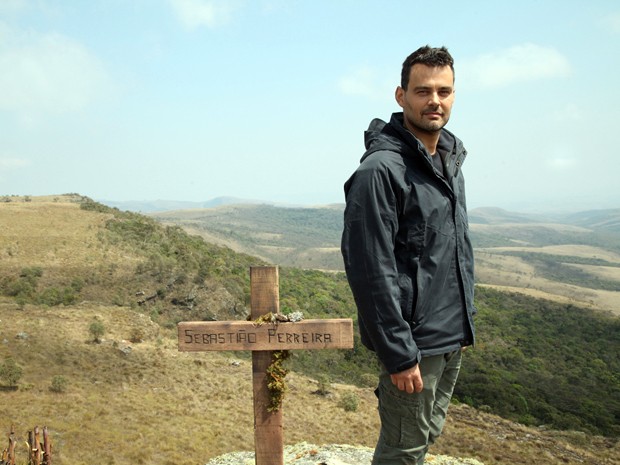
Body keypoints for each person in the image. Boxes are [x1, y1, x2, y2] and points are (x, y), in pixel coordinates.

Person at [341, 45, 476, 465]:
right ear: (401, 96)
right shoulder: (380, 171)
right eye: (422, 91)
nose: (434, 100)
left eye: (444, 91)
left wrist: (461, 328)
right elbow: (370, 272)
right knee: (403, 450)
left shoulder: (447, 161)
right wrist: (399, 354)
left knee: (423, 437)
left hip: (449, 338)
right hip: (413, 346)